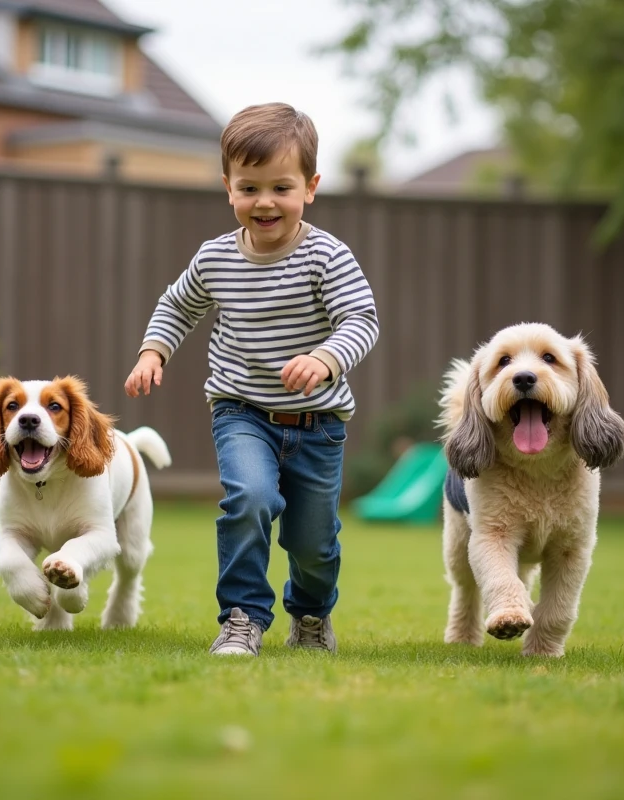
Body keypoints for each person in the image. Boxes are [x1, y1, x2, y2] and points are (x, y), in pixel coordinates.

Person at [123, 102, 380, 656]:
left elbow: (361, 320)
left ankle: (310, 615)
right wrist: (153, 352)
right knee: (250, 499)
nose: (265, 202)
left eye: (281, 188)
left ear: (310, 188)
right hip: (241, 412)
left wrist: (326, 358)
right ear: (228, 189)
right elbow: (177, 305)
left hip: (317, 423)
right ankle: (242, 618)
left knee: (312, 543)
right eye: (249, 188)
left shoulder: (327, 257)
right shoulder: (215, 258)